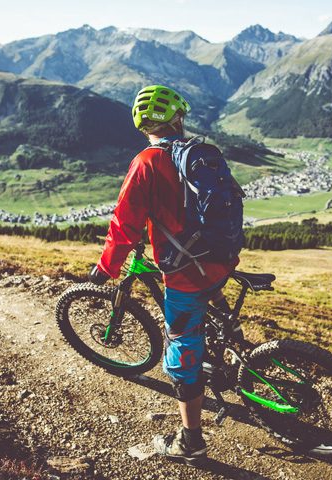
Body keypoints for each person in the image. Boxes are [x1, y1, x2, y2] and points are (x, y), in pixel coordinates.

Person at [88, 85, 237, 464]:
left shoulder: (147, 163)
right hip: (221, 258)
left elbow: (124, 224)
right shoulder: (200, 155)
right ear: (179, 118)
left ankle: (191, 442)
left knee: (182, 349)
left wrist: (107, 268)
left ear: (143, 127)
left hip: (187, 272)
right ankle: (236, 348)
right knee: (212, 300)